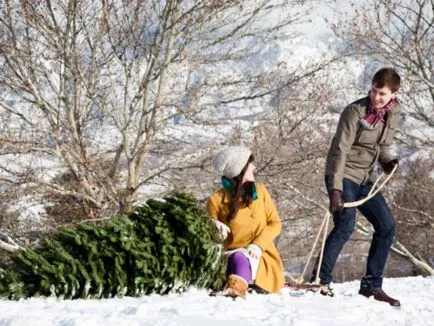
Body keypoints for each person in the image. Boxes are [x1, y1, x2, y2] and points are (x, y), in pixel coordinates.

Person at [319, 67, 402, 306]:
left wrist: (387, 161)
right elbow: (339, 151)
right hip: (342, 174)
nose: (377, 98)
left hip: (364, 178)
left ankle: (371, 286)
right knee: (345, 225)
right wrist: (335, 190)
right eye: (375, 91)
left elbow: (381, 146)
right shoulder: (354, 112)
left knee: (386, 226)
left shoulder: (393, 113)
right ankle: (321, 281)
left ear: (393, 95)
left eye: (382, 94)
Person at [207, 146, 285, 297]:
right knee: (238, 257)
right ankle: (236, 287)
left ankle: (239, 286)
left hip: (261, 256)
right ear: (240, 169)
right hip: (230, 256)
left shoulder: (260, 191)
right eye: (250, 163)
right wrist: (214, 227)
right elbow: (210, 240)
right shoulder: (215, 200)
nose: (254, 167)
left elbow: (275, 223)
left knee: (243, 257)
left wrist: (258, 244)